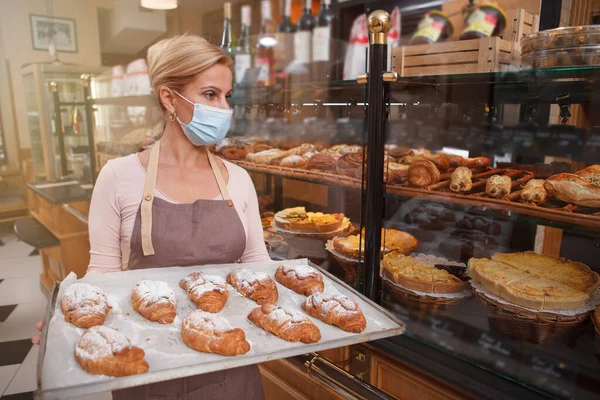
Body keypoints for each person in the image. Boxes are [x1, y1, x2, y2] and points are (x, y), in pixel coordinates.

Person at [34, 34, 268, 400]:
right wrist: (67, 327)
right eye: (210, 95)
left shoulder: (238, 179)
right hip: (147, 363)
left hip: (231, 359)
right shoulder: (118, 177)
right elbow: (103, 277)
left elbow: (258, 270)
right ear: (168, 98)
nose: (224, 108)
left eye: (227, 96)